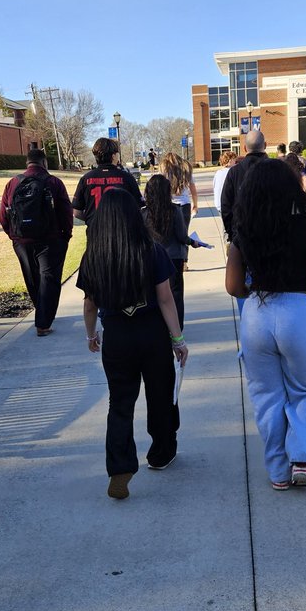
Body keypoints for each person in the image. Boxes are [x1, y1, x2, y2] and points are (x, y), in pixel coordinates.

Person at [226, 159, 306, 489]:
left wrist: (251, 288)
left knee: (267, 397)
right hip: (297, 311)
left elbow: (233, 287)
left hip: (257, 316)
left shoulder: (243, 230)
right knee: (303, 390)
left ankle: (277, 471)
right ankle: (301, 459)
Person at [78, 189, 189, 500]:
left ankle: (119, 467)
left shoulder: (93, 257)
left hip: (116, 337)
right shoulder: (152, 251)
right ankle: (161, 452)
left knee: (120, 403)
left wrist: (91, 335)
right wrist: (178, 339)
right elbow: (166, 299)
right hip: (151, 334)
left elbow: (89, 305)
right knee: (160, 395)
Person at [0, 146, 73, 336]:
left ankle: (42, 315)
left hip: (22, 240)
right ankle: (43, 322)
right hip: (50, 239)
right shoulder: (54, 182)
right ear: (44, 162)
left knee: (32, 279)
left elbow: (3, 216)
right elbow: (66, 212)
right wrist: (66, 235)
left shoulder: (13, 183)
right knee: (49, 279)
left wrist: (14, 236)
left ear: (27, 163)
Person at [143, 172, 189, 326]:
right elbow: (182, 236)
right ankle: (177, 326)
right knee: (175, 294)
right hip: (173, 257)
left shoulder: (143, 214)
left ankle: (159, 323)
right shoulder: (175, 211)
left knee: (154, 293)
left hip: (150, 258)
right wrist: (193, 242)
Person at [71, 137, 142, 225]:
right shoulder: (127, 177)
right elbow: (139, 206)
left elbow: (76, 212)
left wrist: (92, 221)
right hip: (122, 231)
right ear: (113, 156)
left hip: (95, 233)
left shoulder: (86, 179)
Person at [220, 130, 268, 238]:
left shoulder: (234, 172)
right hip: (273, 236)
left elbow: (226, 205)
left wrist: (232, 233)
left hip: (243, 235)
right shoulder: (279, 170)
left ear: (245, 148)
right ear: (265, 145)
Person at [212, 149, 236, 215]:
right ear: (230, 160)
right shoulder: (232, 172)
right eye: (234, 160)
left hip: (219, 204)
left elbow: (214, 186)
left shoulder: (218, 173)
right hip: (229, 205)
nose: (235, 162)